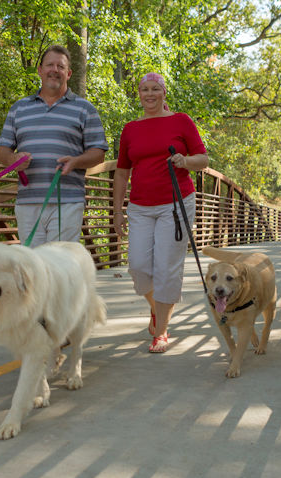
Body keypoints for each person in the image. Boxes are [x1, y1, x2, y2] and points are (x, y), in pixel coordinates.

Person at [113, 72, 209, 353]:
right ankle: (158, 308)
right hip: (140, 206)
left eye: (155, 88)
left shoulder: (181, 121)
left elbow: (203, 159)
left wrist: (185, 160)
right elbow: (121, 172)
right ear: (139, 94)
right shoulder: (130, 128)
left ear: (164, 92)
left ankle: (162, 331)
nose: (150, 94)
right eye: (144, 89)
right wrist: (117, 212)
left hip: (176, 204)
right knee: (138, 266)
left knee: (167, 266)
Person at [0, 45, 108, 247]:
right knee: (33, 266)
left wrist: (76, 161)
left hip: (67, 200)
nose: (54, 70)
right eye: (50, 65)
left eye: (60, 66)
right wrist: (13, 160)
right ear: (40, 70)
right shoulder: (19, 108)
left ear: (69, 73)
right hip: (27, 200)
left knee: (59, 264)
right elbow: (3, 150)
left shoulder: (85, 109)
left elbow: (98, 153)